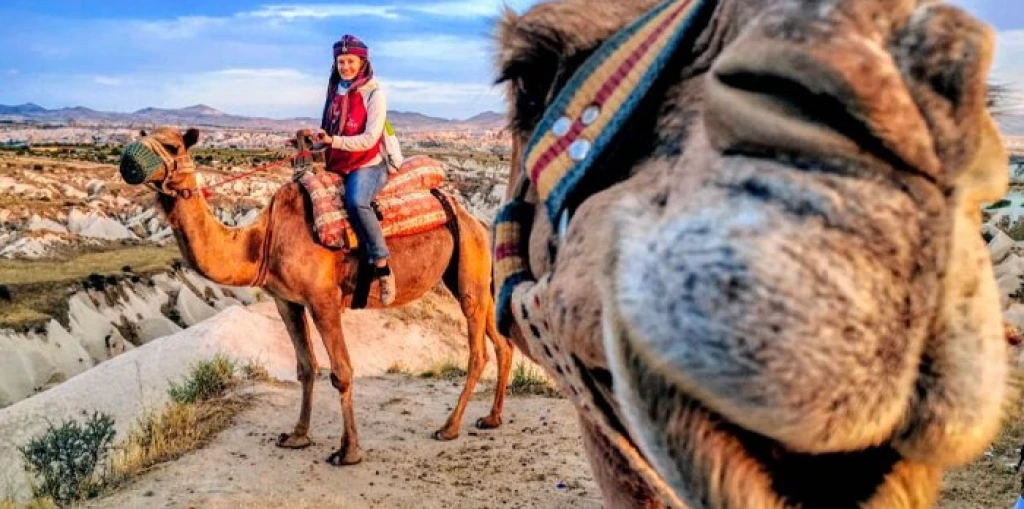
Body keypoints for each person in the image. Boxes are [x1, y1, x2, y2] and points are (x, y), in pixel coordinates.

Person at [314, 34, 395, 306]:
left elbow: (370, 139)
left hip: (368, 163)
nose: (345, 67)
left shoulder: (373, 93)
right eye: (341, 61)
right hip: (339, 160)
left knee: (357, 201)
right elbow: (330, 130)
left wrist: (332, 141)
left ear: (362, 62)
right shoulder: (335, 91)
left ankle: (382, 265)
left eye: (350, 61)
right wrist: (315, 143)